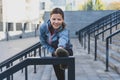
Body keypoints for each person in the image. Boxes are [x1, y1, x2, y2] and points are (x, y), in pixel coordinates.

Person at [39, 7, 73, 80]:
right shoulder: (43, 27)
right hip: (54, 51)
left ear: (62, 20)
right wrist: (53, 51)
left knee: (62, 54)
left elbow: (63, 38)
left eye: (59, 19)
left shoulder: (64, 30)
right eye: (54, 19)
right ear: (50, 18)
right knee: (59, 76)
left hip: (65, 49)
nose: (56, 22)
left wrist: (60, 47)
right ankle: (63, 63)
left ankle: (64, 61)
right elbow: (43, 42)